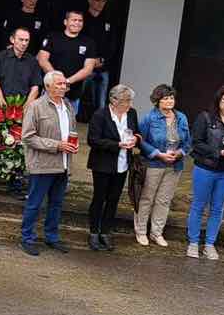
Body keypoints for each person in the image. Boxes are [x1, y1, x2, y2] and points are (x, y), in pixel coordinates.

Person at [19, 71, 78, 255]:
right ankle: (27, 238)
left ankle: (51, 237)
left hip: (63, 164)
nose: (63, 87)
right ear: (48, 86)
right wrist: (57, 145)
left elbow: (72, 132)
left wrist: (72, 146)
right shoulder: (35, 106)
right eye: (59, 84)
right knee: (34, 203)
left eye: (65, 84)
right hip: (43, 165)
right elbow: (27, 137)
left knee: (56, 204)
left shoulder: (67, 105)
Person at [0, 26, 46, 195]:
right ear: (12, 40)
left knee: (19, 147)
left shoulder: (32, 61)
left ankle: (15, 183)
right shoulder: (1, 57)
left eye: (26, 40)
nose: (24, 43)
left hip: (23, 110)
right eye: (21, 39)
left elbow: (35, 87)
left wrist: (26, 107)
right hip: (0, 108)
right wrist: (3, 105)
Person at [187, 85, 224, 261]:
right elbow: (196, 143)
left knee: (218, 208)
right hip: (205, 168)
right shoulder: (205, 118)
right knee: (198, 206)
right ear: (218, 100)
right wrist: (217, 152)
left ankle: (209, 244)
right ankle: (193, 242)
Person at [134, 84, 190, 248]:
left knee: (164, 201)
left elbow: (188, 141)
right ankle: (141, 231)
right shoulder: (149, 118)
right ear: (157, 101)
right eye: (165, 98)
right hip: (153, 163)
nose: (169, 101)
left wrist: (179, 153)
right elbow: (140, 141)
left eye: (171, 97)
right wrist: (158, 154)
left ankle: (157, 233)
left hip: (174, 165)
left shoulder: (181, 118)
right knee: (146, 199)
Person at [85, 84, 139, 251]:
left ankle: (106, 231)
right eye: (125, 101)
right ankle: (94, 232)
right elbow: (93, 140)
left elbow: (136, 131)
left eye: (129, 100)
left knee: (114, 198)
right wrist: (118, 144)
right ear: (113, 100)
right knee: (99, 197)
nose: (128, 104)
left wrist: (135, 139)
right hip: (103, 164)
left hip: (122, 164)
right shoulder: (100, 115)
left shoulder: (131, 113)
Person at [37, 10, 100, 116]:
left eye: (80, 20)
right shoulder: (53, 37)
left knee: (67, 127)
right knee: (43, 123)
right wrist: (57, 79)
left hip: (73, 95)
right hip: (50, 90)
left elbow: (88, 69)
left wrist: (67, 81)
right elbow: (42, 59)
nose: (77, 23)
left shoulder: (89, 43)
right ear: (65, 22)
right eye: (74, 20)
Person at [82, 0, 122, 112]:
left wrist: (103, 59)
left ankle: (98, 128)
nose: (100, 4)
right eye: (97, 0)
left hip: (102, 67)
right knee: (76, 97)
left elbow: (112, 44)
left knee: (101, 103)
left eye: (103, 1)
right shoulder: (82, 19)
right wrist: (89, 60)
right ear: (89, 0)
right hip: (83, 66)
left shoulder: (109, 20)